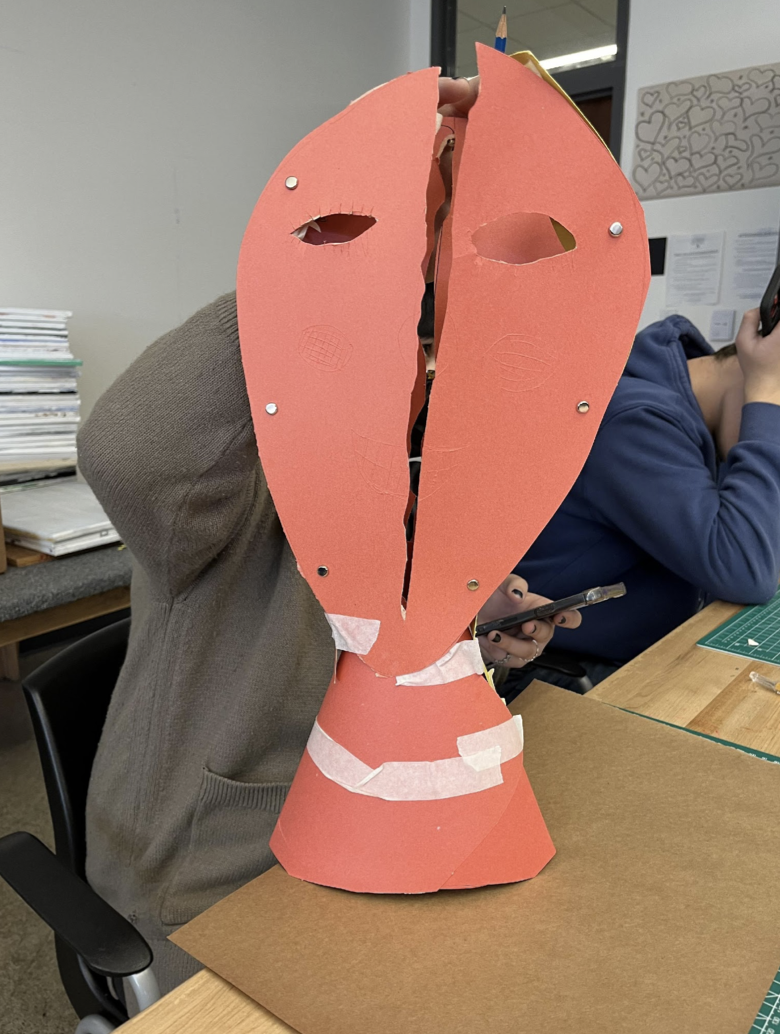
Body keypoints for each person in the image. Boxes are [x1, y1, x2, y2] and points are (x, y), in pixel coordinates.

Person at [78, 76, 579, 995]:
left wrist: (481, 628)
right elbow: (126, 451)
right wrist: (334, 241)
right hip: (212, 878)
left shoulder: (421, 461)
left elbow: (385, 653)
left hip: (390, 841)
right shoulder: (232, 491)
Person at [509, 308, 780, 696]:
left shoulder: (690, 407)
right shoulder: (636, 419)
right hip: (555, 667)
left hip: (635, 649)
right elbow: (745, 570)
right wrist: (766, 401)